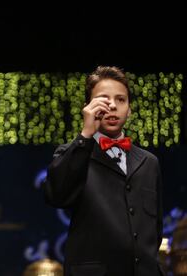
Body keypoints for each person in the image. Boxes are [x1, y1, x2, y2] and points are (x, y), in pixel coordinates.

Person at [43, 66, 164, 276]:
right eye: (103, 99)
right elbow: (57, 196)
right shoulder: (73, 154)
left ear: (130, 109)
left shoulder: (149, 162)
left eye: (120, 100)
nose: (113, 106)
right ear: (87, 107)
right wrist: (85, 135)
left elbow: (155, 229)